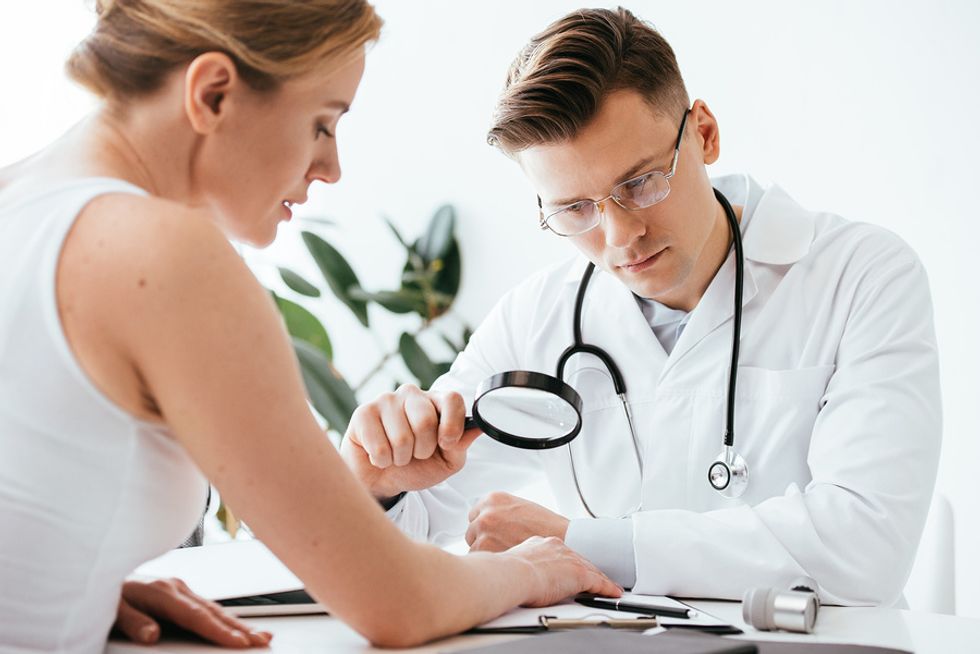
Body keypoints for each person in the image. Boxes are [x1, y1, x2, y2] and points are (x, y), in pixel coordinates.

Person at [0, 1, 622, 651]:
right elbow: (395, 602)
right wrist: (525, 569)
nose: (332, 167)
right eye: (323, 124)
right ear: (213, 94)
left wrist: (80, 582)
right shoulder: (163, 254)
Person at [341, 6, 942, 607]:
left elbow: (867, 548)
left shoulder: (862, 275)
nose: (620, 234)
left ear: (703, 133)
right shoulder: (537, 318)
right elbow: (410, 531)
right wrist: (379, 490)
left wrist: (582, 543)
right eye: (575, 209)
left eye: (640, 183)